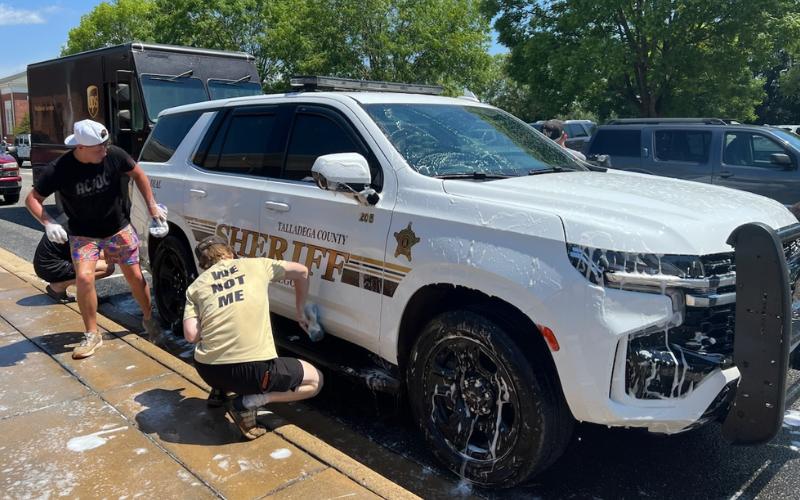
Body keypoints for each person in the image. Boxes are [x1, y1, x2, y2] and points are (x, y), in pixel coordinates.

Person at [25, 119, 168, 360]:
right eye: (98, 148)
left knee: (134, 275)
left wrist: (153, 208)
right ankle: (92, 333)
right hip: (83, 233)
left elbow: (139, 174)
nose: (104, 150)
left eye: (105, 145)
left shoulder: (114, 155)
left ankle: (148, 318)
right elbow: (32, 198)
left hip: (118, 227)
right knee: (83, 277)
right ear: (80, 147)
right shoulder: (59, 169)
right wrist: (48, 223)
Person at [183, 235, 323, 440]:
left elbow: (191, 335)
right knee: (316, 380)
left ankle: (220, 392)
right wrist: (300, 311)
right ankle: (250, 402)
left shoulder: (196, 286)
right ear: (231, 252)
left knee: (215, 346)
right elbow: (302, 271)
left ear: (203, 264)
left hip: (209, 371)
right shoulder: (257, 265)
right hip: (254, 372)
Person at [33, 233, 115, 303]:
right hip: (50, 268)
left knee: (102, 257)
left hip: (45, 264)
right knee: (107, 267)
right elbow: (90, 255)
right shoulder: (79, 226)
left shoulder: (72, 217)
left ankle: (87, 293)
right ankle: (58, 286)